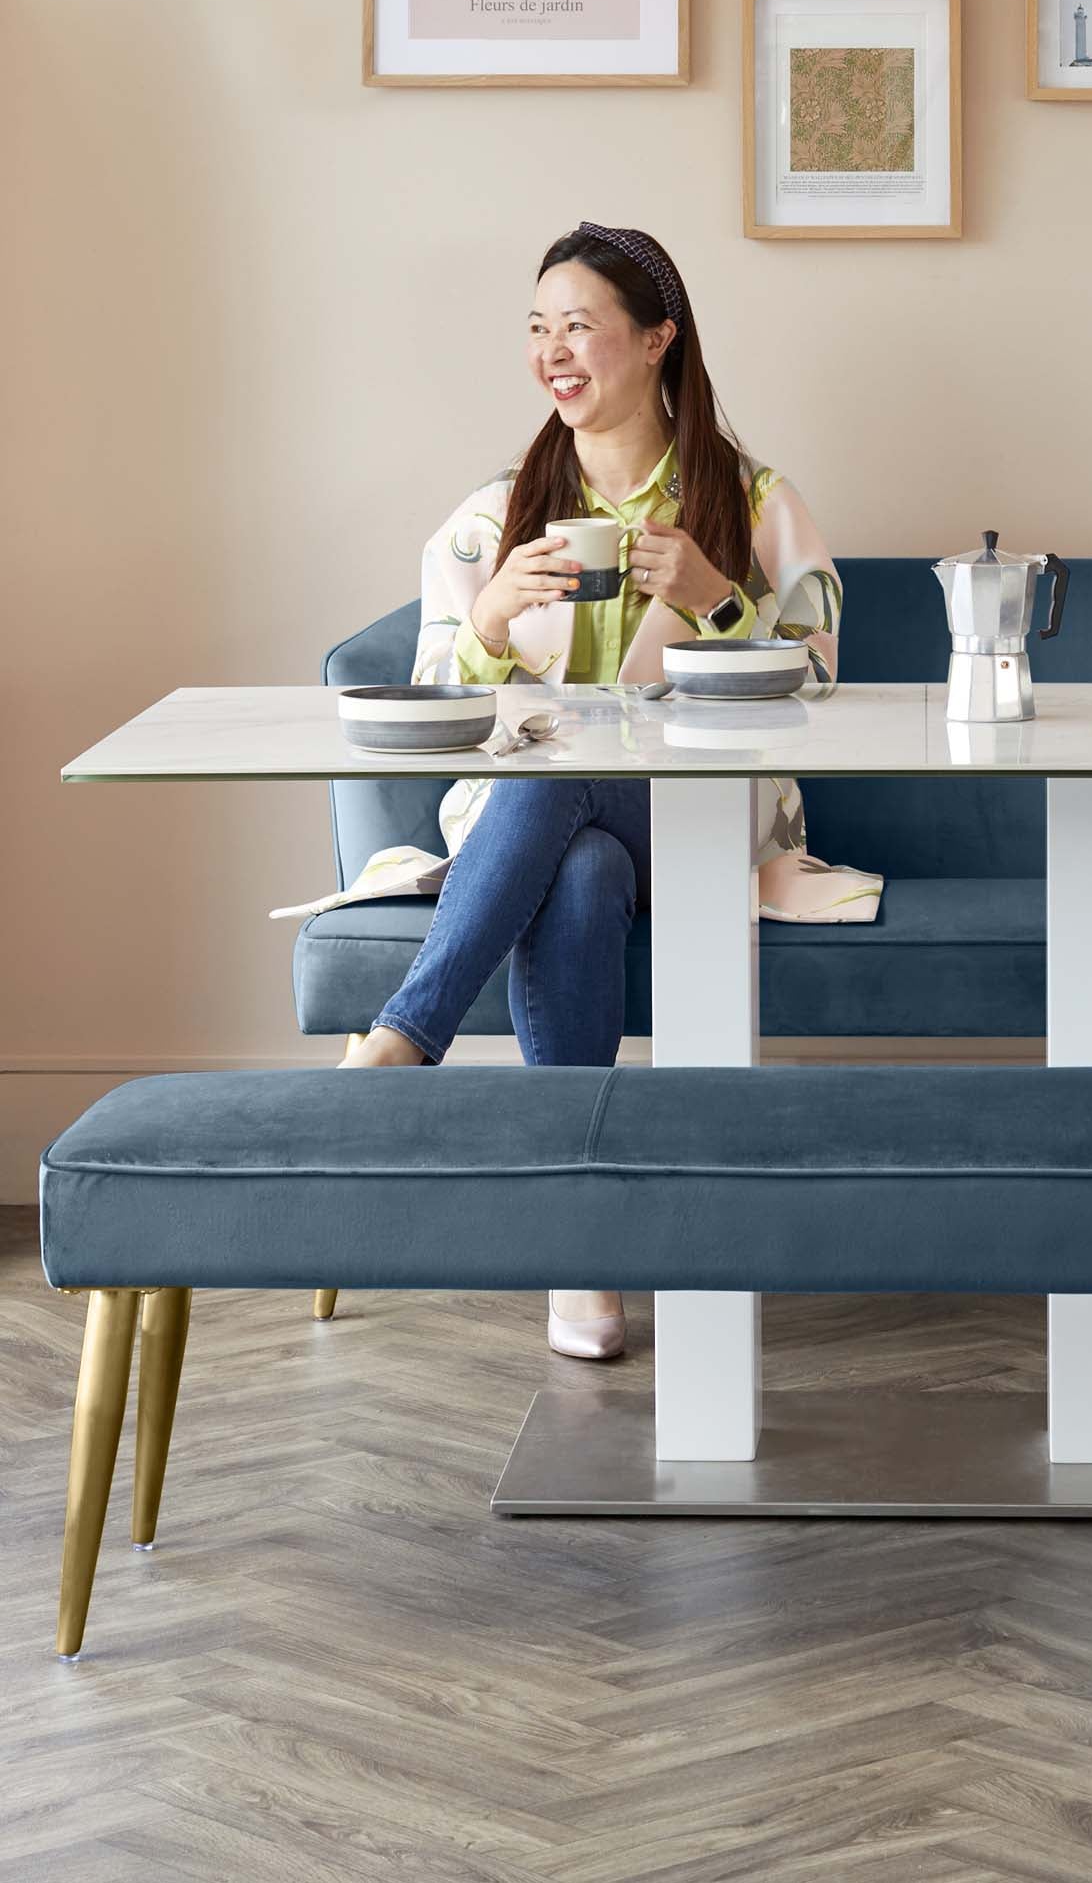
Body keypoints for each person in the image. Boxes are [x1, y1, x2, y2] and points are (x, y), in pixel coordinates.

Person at [342, 224, 875, 1359]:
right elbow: (433, 703)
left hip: (703, 810)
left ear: (657, 341)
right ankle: (583, 1252)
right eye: (538, 329)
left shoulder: (751, 498)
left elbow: (827, 686)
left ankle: (400, 1039)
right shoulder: (497, 514)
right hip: (536, 821)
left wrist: (723, 599)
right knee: (577, 864)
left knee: (573, 782)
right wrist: (487, 621)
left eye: (578, 325)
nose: (553, 351)